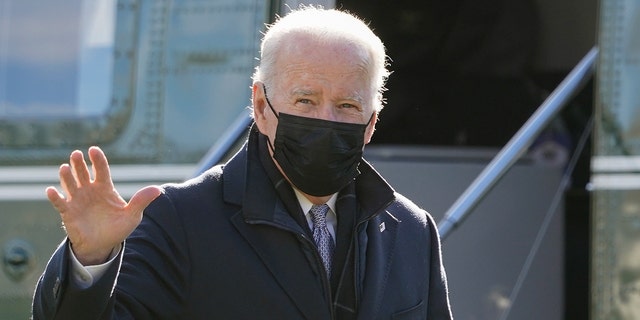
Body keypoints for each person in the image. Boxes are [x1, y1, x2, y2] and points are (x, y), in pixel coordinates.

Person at [32, 6, 453, 319]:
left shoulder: (411, 230)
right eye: (305, 100)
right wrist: (90, 262)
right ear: (261, 106)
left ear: (371, 123)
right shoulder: (178, 220)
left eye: (346, 106)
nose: (325, 121)